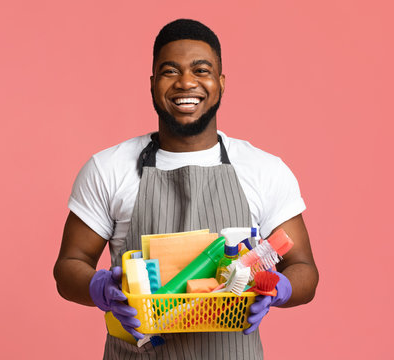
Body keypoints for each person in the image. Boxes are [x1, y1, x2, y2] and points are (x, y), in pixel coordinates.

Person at [53, 18, 319, 359]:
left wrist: (279, 288)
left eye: (201, 70)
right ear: (152, 84)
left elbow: (304, 269)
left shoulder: (264, 170)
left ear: (221, 83)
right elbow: (69, 265)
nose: (186, 82)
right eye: (170, 71)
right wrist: (100, 287)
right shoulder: (108, 168)